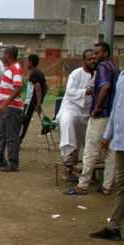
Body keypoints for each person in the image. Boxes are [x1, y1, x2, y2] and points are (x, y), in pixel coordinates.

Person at [66, 42, 119, 196]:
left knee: (90, 149)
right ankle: (107, 186)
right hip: (112, 115)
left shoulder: (103, 67)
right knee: (110, 151)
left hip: (102, 115)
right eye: (93, 54)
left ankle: (82, 186)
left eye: (97, 53)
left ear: (105, 53)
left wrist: (96, 108)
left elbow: (105, 87)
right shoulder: (114, 67)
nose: (94, 57)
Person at [90, 68, 124, 241]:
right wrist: (107, 135)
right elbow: (117, 109)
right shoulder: (122, 77)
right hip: (120, 140)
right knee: (121, 185)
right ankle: (114, 227)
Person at [57, 49, 96, 181]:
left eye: (94, 59)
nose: (92, 61)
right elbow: (70, 92)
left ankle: (91, 172)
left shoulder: (97, 74)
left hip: (88, 112)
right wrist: (86, 91)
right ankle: (68, 169)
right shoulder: (76, 74)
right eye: (89, 59)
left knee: (90, 139)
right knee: (68, 126)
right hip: (72, 108)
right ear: (84, 60)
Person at [0, 46, 24, 172]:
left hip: (12, 108)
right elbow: (10, 87)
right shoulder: (9, 69)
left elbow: (17, 88)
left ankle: (13, 163)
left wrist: (5, 104)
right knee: (1, 134)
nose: (2, 56)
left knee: (11, 135)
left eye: (4, 54)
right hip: (7, 107)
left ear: (9, 55)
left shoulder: (16, 69)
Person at [20, 54, 48, 142]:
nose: (26, 64)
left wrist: (38, 104)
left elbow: (38, 88)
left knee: (23, 121)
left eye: (27, 62)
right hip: (33, 102)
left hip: (30, 102)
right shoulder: (39, 72)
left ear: (31, 62)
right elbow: (46, 88)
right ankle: (18, 139)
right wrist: (40, 100)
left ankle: (18, 140)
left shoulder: (33, 73)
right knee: (25, 121)